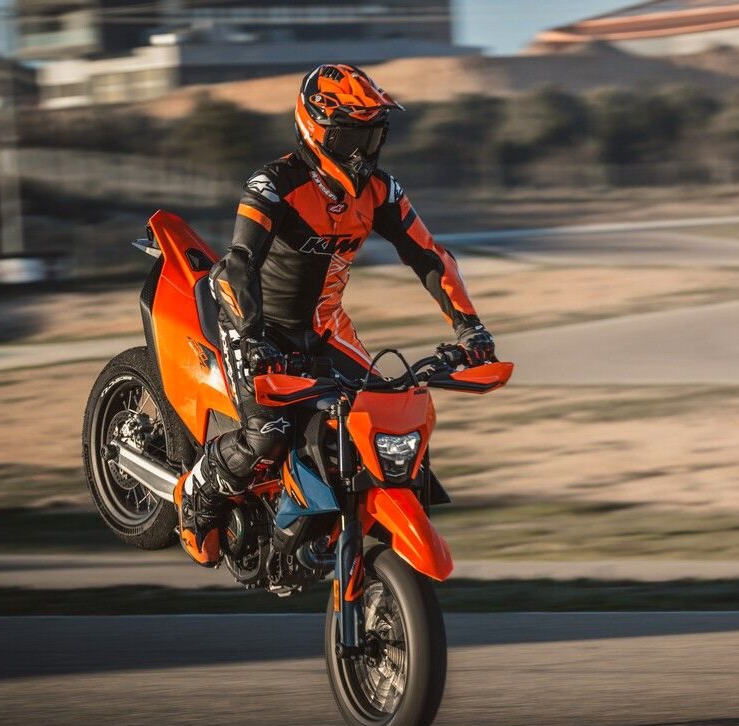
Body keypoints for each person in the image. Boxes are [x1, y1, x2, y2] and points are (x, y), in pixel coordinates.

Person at [173, 63, 497, 566]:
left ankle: (339, 523)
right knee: (267, 435)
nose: (362, 152)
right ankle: (197, 496)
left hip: (324, 328)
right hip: (252, 322)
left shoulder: (381, 190)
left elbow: (429, 256)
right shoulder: (274, 183)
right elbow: (239, 264)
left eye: (372, 136)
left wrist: (469, 327)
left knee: (385, 414)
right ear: (316, 128)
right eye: (351, 136)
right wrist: (254, 340)